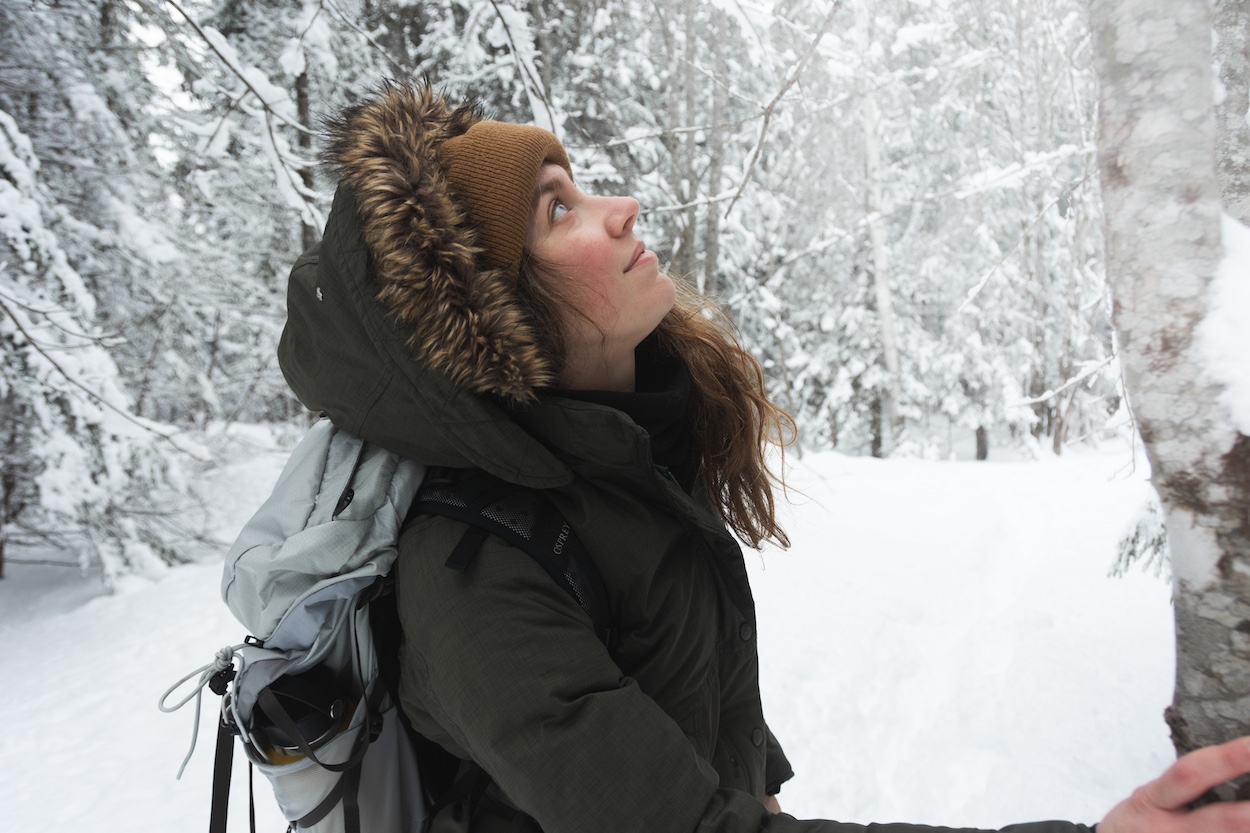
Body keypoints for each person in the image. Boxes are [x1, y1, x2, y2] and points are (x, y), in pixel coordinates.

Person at [277, 80, 1250, 833]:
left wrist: (755, 786)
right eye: (555, 209)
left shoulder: (622, 459)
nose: (619, 207)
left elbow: (674, 692)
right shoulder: (478, 571)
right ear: (490, 320)